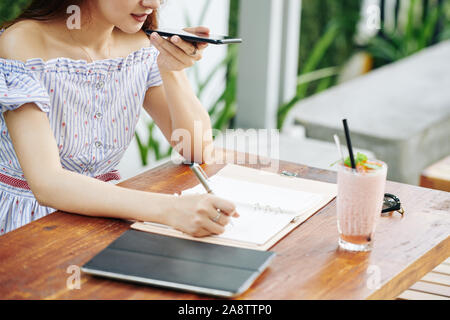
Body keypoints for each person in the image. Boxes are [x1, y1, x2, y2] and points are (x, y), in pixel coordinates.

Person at [0, 0, 238, 236]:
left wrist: (171, 69)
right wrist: (172, 209)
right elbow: (48, 184)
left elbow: (196, 149)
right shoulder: (21, 45)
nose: (152, 3)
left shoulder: (139, 45)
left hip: (104, 215)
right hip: (29, 225)